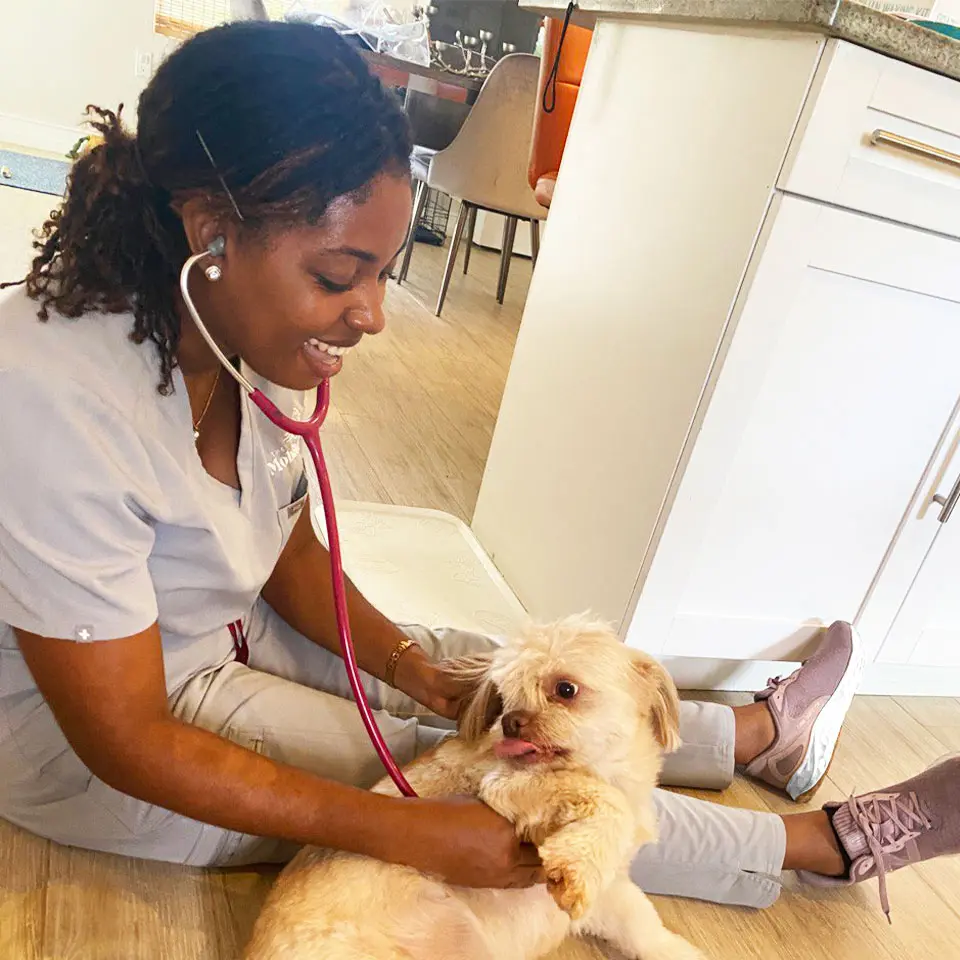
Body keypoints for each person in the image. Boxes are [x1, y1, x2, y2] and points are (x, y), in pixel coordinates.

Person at [0, 20, 955, 926]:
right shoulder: (53, 402)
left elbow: (282, 545)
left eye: (383, 271)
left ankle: (745, 738)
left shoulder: (217, 324)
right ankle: (823, 843)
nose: (371, 314)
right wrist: (414, 829)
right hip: (109, 744)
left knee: (480, 674)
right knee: (492, 772)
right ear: (208, 230)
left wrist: (417, 670)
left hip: (223, 634)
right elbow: (123, 738)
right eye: (338, 277)